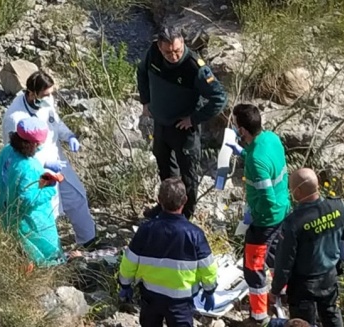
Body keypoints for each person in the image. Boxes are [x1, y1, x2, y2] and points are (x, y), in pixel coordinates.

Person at [1, 70, 100, 250]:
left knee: (76, 197)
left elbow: (56, 122)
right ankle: (49, 252)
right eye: (46, 94)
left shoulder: (46, 101)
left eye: (51, 93)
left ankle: (89, 240)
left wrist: (69, 136)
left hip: (58, 163)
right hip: (37, 171)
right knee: (47, 211)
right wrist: (45, 164)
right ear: (32, 94)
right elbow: (16, 153)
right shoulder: (15, 118)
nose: (50, 98)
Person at [137, 24, 228, 220]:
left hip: (184, 129)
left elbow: (219, 98)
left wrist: (193, 119)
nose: (174, 56)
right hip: (161, 124)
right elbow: (142, 72)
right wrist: (145, 101)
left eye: (177, 51)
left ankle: (185, 216)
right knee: (165, 170)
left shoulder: (195, 67)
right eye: (168, 52)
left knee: (188, 176)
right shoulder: (153, 53)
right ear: (160, 47)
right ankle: (166, 209)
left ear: (183, 43)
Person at [118, 177, 218, 327]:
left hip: (150, 298)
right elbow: (208, 267)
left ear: (159, 200)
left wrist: (125, 285)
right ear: (185, 200)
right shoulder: (195, 234)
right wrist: (209, 290)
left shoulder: (145, 230)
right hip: (181, 303)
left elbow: (129, 261)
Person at [270, 168, 344, 327]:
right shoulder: (338, 206)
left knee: (303, 323)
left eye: (291, 189)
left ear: (298, 191)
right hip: (329, 276)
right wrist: (336, 250)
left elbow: (284, 263)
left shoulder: (293, 223)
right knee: (331, 313)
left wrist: (275, 290)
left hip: (303, 285)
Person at [226, 103, 291, 325]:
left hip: (266, 220)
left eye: (237, 126)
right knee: (275, 255)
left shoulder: (255, 161)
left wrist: (253, 216)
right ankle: (282, 291)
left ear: (242, 130)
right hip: (283, 211)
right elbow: (269, 164)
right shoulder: (271, 138)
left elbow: (267, 197)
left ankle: (259, 314)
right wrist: (243, 152)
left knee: (253, 267)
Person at [0, 117, 65, 267]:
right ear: (32, 144)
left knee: (17, 247)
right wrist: (50, 187)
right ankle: (46, 273)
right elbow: (25, 200)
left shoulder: (7, 151)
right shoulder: (28, 166)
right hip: (30, 218)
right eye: (39, 144)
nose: (40, 147)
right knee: (44, 248)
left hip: (5, 207)